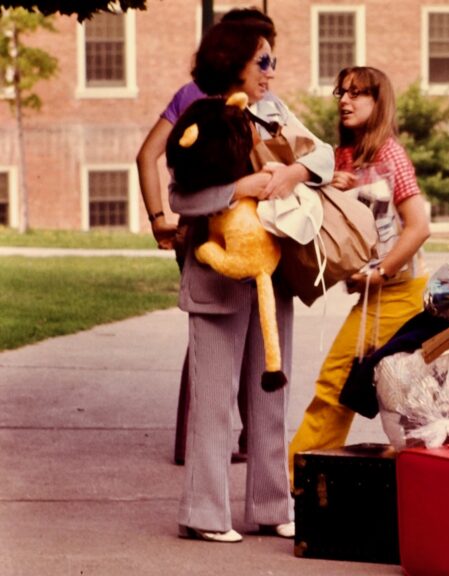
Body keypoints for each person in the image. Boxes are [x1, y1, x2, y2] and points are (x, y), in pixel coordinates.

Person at [166, 19, 334, 543]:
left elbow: (324, 154)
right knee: (214, 406)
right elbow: (180, 200)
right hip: (216, 281)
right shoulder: (202, 118)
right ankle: (204, 513)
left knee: (271, 401)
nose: (272, 71)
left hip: (270, 283)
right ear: (233, 60)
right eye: (263, 61)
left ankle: (270, 507)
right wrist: (240, 188)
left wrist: (294, 174)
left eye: (273, 61)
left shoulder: (275, 113)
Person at [136, 7, 278, 466]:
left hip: (209, 234)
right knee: (220, 334)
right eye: (262, 56)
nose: (270, 68)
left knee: (214, 338)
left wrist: (159, 219)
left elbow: (148, 156)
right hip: (210, 229)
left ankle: (211, 443)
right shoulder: (209, 103)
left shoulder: (210, 97)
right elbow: (150, 157)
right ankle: (233, 442)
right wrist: (162, 214)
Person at [287, 66, 430, 482]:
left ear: (378, 102)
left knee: (337, 384)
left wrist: (381, 273)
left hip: (399, 292)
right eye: (342, 93)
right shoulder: (342, 155)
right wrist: (327, 184)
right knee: (368, 391)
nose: (345, 100)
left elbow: (419, 226)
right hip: (371, 294)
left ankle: (296, 481)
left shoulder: (390, 153)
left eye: (358, 94)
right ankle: (315, 483)